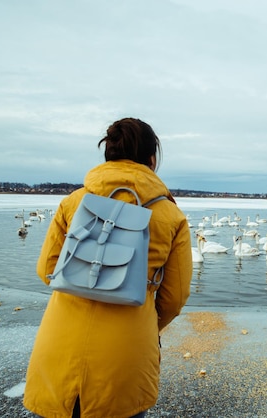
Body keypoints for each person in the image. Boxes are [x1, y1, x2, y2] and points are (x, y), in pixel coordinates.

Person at [23, 117, 193, 417]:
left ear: (108, 155)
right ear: (152, 160)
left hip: (59, 345)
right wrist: (144, 323)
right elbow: (174, 298)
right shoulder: (170, 215)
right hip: (125, 355)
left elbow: (47, 269)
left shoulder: (74, 201)